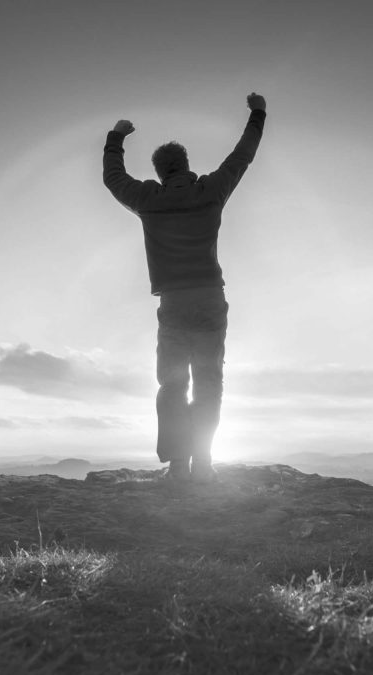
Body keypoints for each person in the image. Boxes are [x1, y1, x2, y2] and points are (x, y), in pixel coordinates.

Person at [102, 92, 267, 482]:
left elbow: (112, 178)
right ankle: (204, 465)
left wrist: (117, 136)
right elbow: (242, 156)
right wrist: (258, 113)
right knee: (209, 381)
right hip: (210, 299)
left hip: (174, 304)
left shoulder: (148, 198)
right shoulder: (210, 191)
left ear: (159, 171)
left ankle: (178, 466)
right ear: (187, 165)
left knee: (173, 383)